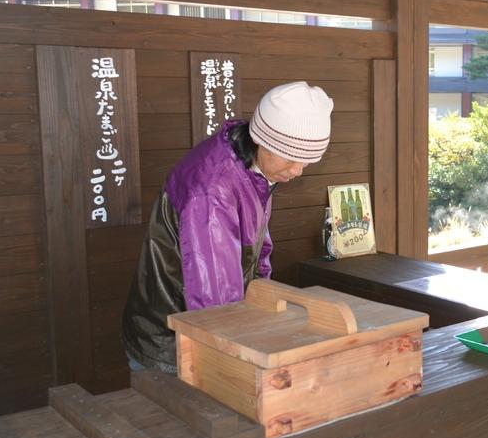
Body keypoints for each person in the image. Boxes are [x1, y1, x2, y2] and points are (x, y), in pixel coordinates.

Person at [122, 81, 334, 373]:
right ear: (263, 140)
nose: (297, 170)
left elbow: (257, 250)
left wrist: (263, 307)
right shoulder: (213, 191)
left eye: (307, 161)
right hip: (173, 339)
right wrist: (241, 361)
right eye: (290, 158)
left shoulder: (252, 166)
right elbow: (215, 299)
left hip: (207, 326)